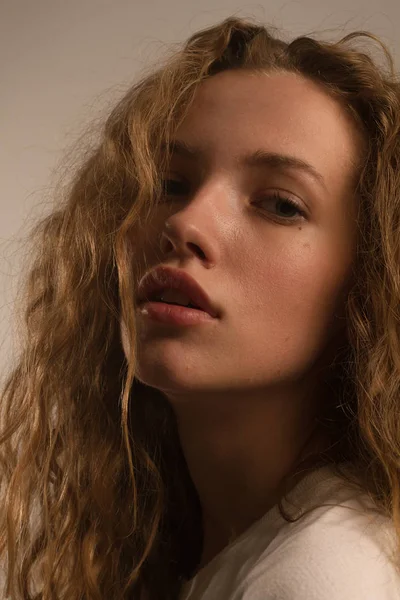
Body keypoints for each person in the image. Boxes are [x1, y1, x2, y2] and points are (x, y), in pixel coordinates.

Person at [1, 15, 400, 600]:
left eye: (281, 205)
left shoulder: (326, 575)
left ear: (367, 283)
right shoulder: (211, 548)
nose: (185, 224)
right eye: (168, 184)